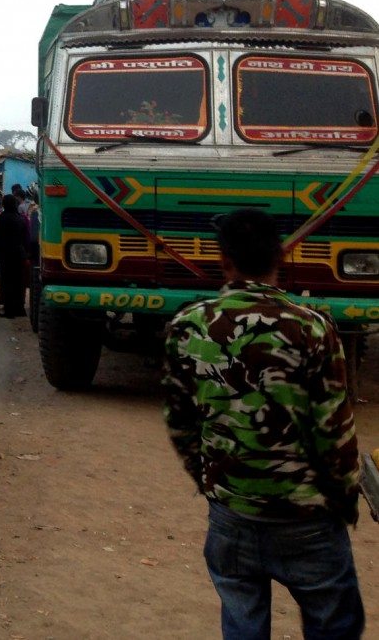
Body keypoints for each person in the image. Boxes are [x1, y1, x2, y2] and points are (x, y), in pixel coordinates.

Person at [163, 208, 363, 639]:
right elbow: (335, 429)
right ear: (280, 258)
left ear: (225, 261)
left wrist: (211, 480)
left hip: (231, 514)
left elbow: (181, 422)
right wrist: (346, 497)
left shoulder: (187, 326)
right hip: (307, 518)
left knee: (243, 622)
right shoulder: (311, 328)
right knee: (334, 622)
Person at [0, 194, 29, 317]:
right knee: (19, 281)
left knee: (7, 281)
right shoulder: (21, 218)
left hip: (6, 254)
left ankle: (9, 310)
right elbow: (26, 237)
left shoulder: (2, 218)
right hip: (19, 253)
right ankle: (20, 308)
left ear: (4, 204)